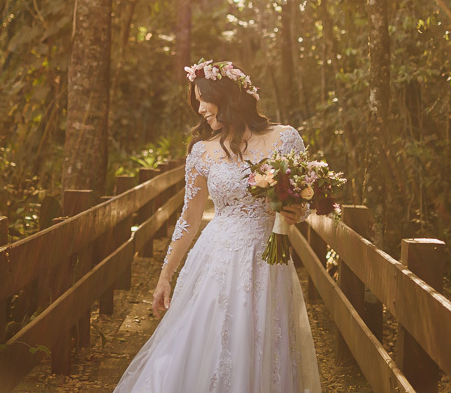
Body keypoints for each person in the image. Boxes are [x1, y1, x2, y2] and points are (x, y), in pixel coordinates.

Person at [113, 60, 322, 392]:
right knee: (202, 344)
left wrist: (298, 211)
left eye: (204, 99)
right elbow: (189, 218)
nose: (200, 109)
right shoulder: (201, 152)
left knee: (263, 345)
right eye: (196, 102)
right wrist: (165, 276)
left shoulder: (285, 138)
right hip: (215, 261)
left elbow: (303, 199)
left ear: (227, 97)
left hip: (268, 262)